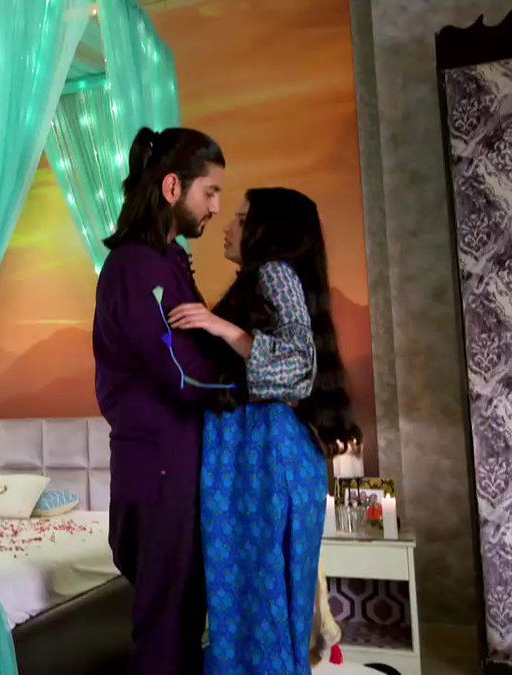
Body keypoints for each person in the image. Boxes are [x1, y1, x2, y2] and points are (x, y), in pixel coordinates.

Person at [167, 187, 360, 674]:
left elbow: (297, 366)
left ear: (267, 230)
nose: (228, 226)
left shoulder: (273, 272)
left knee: (257, 600)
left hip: (264, 460)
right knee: (261, 602)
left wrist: (222, 328)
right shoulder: (270, 280)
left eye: (241, 217)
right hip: (263, 457)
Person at [92, 126, 228, 674]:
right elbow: (182, 373)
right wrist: (257, 380)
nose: (216, 207)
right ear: (173, 188)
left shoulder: (166, 260)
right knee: (165, 632)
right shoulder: (137, 267)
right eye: (210, 192)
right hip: (158, 471)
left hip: (175, 466)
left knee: (182, 620)